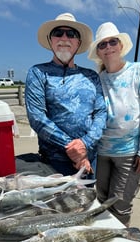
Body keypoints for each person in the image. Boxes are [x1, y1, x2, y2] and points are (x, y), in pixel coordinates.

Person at [88, 22, 140, 226]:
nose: (108, 47)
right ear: (99, 52)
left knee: (120, 206)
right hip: (101, 152)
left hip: (129, 153)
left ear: (121, 46)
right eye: (102, 45)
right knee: (101, 201)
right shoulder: (98, 79)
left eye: (113, 42)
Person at [25, 13, 107, 178]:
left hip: (90, 160)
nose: (64, 38)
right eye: (58, 33)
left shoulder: (91, 76)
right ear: (51, 40)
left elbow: (101, 113)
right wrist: (72, 149)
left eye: (71, 34)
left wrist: (85, 144)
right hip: (54, 164)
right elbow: (37, 117)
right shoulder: (38, 72)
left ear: (78, 42)